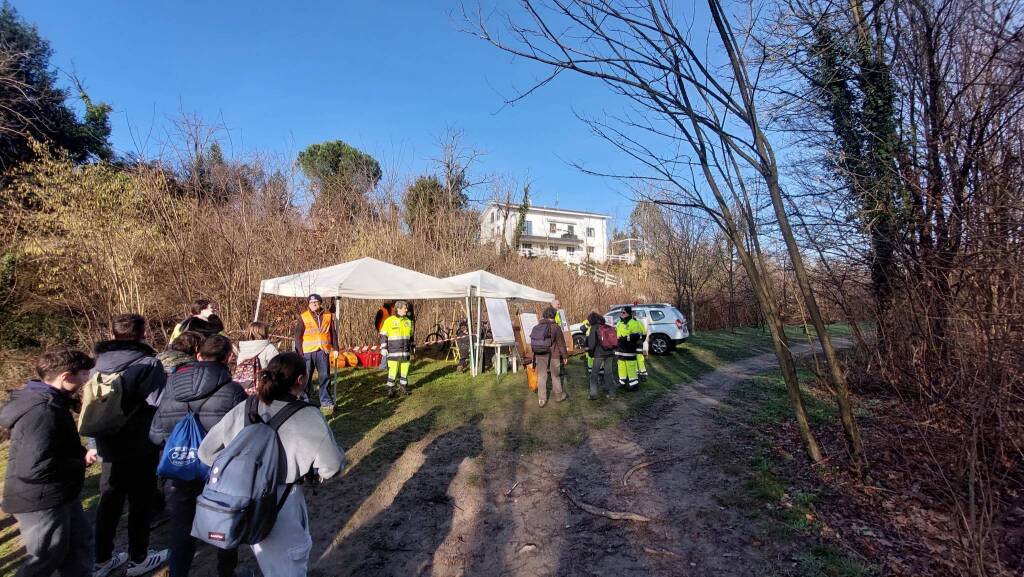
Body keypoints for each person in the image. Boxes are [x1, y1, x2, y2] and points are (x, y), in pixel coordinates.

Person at [198, 353, 345, 577]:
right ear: (300, 380)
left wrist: (239, 472)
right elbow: (331, 467)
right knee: (287, 567)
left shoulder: (246, 407)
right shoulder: (308, 415)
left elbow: (206, 452)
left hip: (239, 501)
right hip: (282, 501)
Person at [149, 335, 246, 577]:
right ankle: (226, 573)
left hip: (179, 467)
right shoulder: (233, 390)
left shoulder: (171, 386)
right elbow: (245, 435)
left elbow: (155, 433)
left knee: (181, 528)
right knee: (224, 521)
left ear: (199, 355)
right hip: (218, 469)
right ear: (228, 358)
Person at [0, 348, 97, 577]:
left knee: (78, 546)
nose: (86, 379)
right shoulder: (43, 410)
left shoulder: (48, 399)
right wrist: (80, 461)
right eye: (83, 374)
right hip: (40, 499)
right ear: (65, 376)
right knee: (45, 559)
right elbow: (35, 466)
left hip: (59, 491)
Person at [90, 314, 169, 577]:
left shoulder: (97, 365)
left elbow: (92, 404)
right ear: (143, 334)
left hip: (107, 441)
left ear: (112, 335)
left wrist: (93, 441)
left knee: (109, 501)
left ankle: (101, 559)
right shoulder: (149, 364)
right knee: (140, 501)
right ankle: (139, 558)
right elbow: (159, 402)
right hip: (140, 442)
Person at [292, 294, 337, 414]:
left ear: (320, 303)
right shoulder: (303, 317)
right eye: (312, 303)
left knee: (325, 377)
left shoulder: (328, 315)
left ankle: (326, 402)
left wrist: (336, 348)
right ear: (308, 304)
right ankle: (304, 401)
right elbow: (298, 336)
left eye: (316, 302)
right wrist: (299, 352)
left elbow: (333, 332)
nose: (314, 304)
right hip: (307, 352)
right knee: (305, 378)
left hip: (322, 351)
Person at [533, 307, 568, 407]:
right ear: (554, 315)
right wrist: (565, 356)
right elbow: (561, 343)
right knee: (555, 376)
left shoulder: (537, 326)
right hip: (554, 355)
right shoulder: (556, 327)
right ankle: (558, 396)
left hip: (540, 354)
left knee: (542, 376)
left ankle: (541, 399)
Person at [379, 300, 414, 398]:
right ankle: (390, 389)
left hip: (405, 352)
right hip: (394, 352)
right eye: (404, 308)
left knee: (405, 370)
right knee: (392, 371)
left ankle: (403, 386)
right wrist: (383, 347)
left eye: (406, 308)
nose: (406, 310)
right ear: (398, 308)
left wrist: (413, 346)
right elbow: (383, 335)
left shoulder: (408, 321)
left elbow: (411, 336)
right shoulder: (389, 321)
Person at [585, 312, 618, 400]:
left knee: (594, 374)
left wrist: (590, 353)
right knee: (609, 373)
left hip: (599, 354)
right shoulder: (607, 326)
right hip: (610, 353)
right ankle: (612, 394)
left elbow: (591, 345)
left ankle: (593, 394)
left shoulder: (594, 328)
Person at [615, 307, 644, 391]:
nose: (621, 314)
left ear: (628, 313)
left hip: (629, 349)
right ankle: (622, 382)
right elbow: (616, 331)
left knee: (630, 366)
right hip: (620, 349)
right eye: (621, 312)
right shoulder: (619, 323)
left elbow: (636, 335)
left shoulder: (633, 323)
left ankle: (634, 384)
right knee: (621, 365)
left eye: (623, 312)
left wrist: (624, 338)